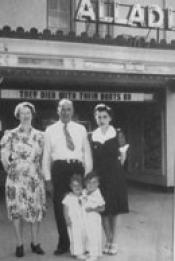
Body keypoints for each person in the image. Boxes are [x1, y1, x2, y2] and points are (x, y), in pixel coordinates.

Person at [42, 98, 93, 255]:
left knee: (77, 207)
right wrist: (48, 179)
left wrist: (87, 174)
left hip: (76, 170)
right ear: (58, 111)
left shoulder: (81, 129)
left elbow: (86, 153)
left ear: (73, 111)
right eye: (62, 109)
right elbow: (46, 156)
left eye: (68, 109)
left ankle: (77, 244)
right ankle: (63, 243)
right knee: (59, 207)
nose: (65, 112)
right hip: (59, 169)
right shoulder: (50, 130)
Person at [0, 102, 46, 257]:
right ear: (17, 115)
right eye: (22, 113)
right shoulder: (10, 134)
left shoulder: (41, 136)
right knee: (16, 211)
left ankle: (35, 242)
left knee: (35, 210)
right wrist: (11, 167)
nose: (25, 115)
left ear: (32, 115)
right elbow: (4, 156)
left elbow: (45, 158)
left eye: (28, 112)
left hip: (34, 179)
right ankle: (19, 244)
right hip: (16, 179)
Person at [90, 104, 129, 255]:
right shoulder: (91, 135)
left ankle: (114, 241)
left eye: (104, 117)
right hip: (100, 176)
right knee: (103, 210)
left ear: (110, 118)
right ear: (95, 118)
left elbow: (123, 157)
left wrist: (115, 172)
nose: (101, 120)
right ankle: (108, 239)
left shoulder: (118, 133)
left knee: (116, 209)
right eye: (98, 117)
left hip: (115, 175)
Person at [62, 174, 87, 260]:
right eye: (74, 186)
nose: (77, 187)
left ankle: (80, 250)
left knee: (83, 235)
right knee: (75, 236)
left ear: (82, 186)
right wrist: (66, 219)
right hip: (73, 221)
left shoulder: (84, 195)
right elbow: (65, 209)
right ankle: (78, 253)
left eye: (79, 185)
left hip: (83, 220)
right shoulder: (68, 197)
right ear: (70, 186)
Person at [83, 172, 105, 261]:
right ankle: (89, 251)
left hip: (93, 218)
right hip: (85, 218)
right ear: (85, 183)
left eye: (94, 182)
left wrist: (92, 209)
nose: (91, 185)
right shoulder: (84, 191)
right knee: (86, 235)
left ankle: (94, 255)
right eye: (89, 182)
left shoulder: (97, 194)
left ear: (98, 184)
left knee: (93, 236)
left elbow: (102, 208)